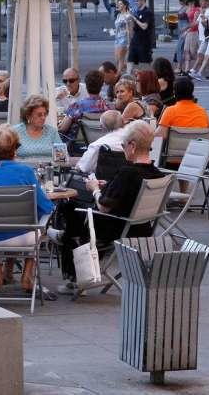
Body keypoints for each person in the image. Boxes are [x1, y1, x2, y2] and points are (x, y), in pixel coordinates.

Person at [55, 120, 164, 291]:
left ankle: (76, 277)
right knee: (75, 216)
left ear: (132, 145)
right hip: (141, 228)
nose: (123, 148)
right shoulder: (158, 174)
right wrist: (109, 185)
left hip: (114, 227)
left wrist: (95, 188)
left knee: (71, 209)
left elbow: (104, 207)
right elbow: (128, 194)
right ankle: (65, 239)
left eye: (123, 145)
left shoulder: (128, 172)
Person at [0, 124, 54, 292]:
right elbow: (45, 205)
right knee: (39, 226)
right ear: (15, 148)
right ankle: (28, 274)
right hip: (21, 237)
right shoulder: (25, 171)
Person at [58, 69, 109, 141]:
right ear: (101, 86)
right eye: (65, 81)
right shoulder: (107, 107)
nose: (68, 83)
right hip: (101, 142)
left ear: (86, 85)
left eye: (71, 80)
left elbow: (62, 129)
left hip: (78, 144)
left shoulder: (77, 106)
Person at [75, 110, 126, 174]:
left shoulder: (98, 145)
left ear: (102, 127)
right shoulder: (134, 140)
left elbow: (85, 167)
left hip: (104, 180)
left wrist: (78, 166)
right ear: (123, 123)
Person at [13, 95, 63, 159]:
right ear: (28, 115)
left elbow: (62, 156)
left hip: (49, 168)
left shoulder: (52, 131)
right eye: (39, 115)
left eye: (45, 114)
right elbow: (7, 156)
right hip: (24, 168)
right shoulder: (15, 131)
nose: (43, 118)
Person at [126, 0, 154, 73]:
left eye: (137, 1)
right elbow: (132, 28)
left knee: (145, 63)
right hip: (135, 40)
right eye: (135, 1)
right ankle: (128, 78)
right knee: (130, 60)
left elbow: (144, 26)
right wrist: (129, 21)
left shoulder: (147, 12)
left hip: (144, 42)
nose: (136, 3)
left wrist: (134, 19)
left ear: (143, 0)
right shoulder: (136, 12)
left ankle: (151, 78)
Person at [188, 0, 209, 79]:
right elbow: (196, 23)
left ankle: (194, 71)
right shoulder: (202, 11)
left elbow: (207, 25)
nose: (200, 3)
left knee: (202, 54)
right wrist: (188, 28)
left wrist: (202, 16)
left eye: (201, 1)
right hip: (203, 36)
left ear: (207, 1)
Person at [181, 0, 202, 74]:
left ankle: (199, 68)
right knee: (186, 51)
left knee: (193, 52)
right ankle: (187, 69)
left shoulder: (197, 10)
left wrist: (186, 29)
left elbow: (195, 23)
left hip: (194, 32)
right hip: (189, 31)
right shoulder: (188, 8)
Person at [112, 0, 132, 72]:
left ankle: (118, 75)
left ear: (125, 5)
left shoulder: (128, 15)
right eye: (118, 4)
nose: (118, 5)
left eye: (120, 4)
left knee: (120, 59)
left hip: (124, 38)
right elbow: (117, 27)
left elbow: (129, 29)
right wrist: (113, 32)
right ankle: (128, 70)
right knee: (117, 59)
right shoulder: (119, 15)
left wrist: (129, 42)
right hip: (117, 38)